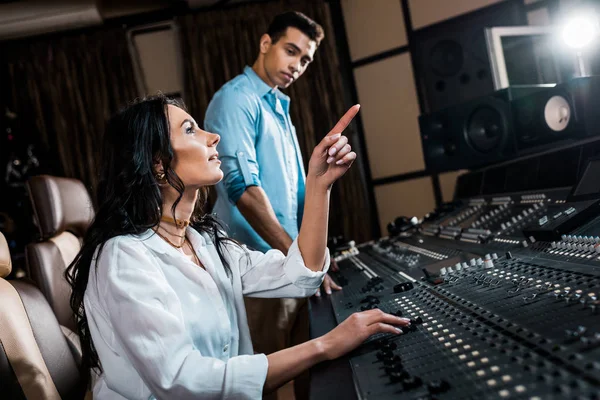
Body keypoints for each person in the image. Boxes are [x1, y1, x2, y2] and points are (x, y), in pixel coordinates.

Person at [66, 95, 409, 399]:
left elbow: (300, 275)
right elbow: (182, 382)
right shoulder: (123, 258)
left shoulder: (203, 242)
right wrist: (325, 346)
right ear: (158, 163)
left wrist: (319, 185)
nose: (213, 137)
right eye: (190, 131)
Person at [204, 12, 341, 397]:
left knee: (305, 374)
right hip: (256, 268)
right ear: (266, 44)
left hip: (288, 264)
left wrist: (308, 255)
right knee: (258, 384)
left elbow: (294, 195)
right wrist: (297, 254)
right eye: (291, 51)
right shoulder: (235, 99)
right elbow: (242, 189)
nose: (297, 65)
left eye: (305, 60)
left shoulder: (278, 105)